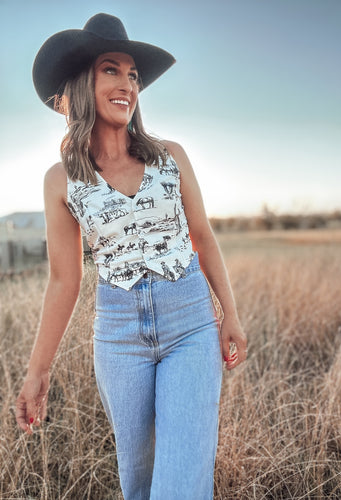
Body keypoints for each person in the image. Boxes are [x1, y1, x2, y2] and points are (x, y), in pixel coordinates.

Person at [16, 13, 247, 500]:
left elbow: (202, 235)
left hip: (190, 323)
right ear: (82, 81)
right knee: (138, 482)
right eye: (111, 70)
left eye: (133, 75)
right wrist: (38, 370)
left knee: (180, 485)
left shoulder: (171, 156)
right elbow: (64, 280)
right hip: (118, 337)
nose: (127, 84)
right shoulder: (61, 180)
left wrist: (230, 312)